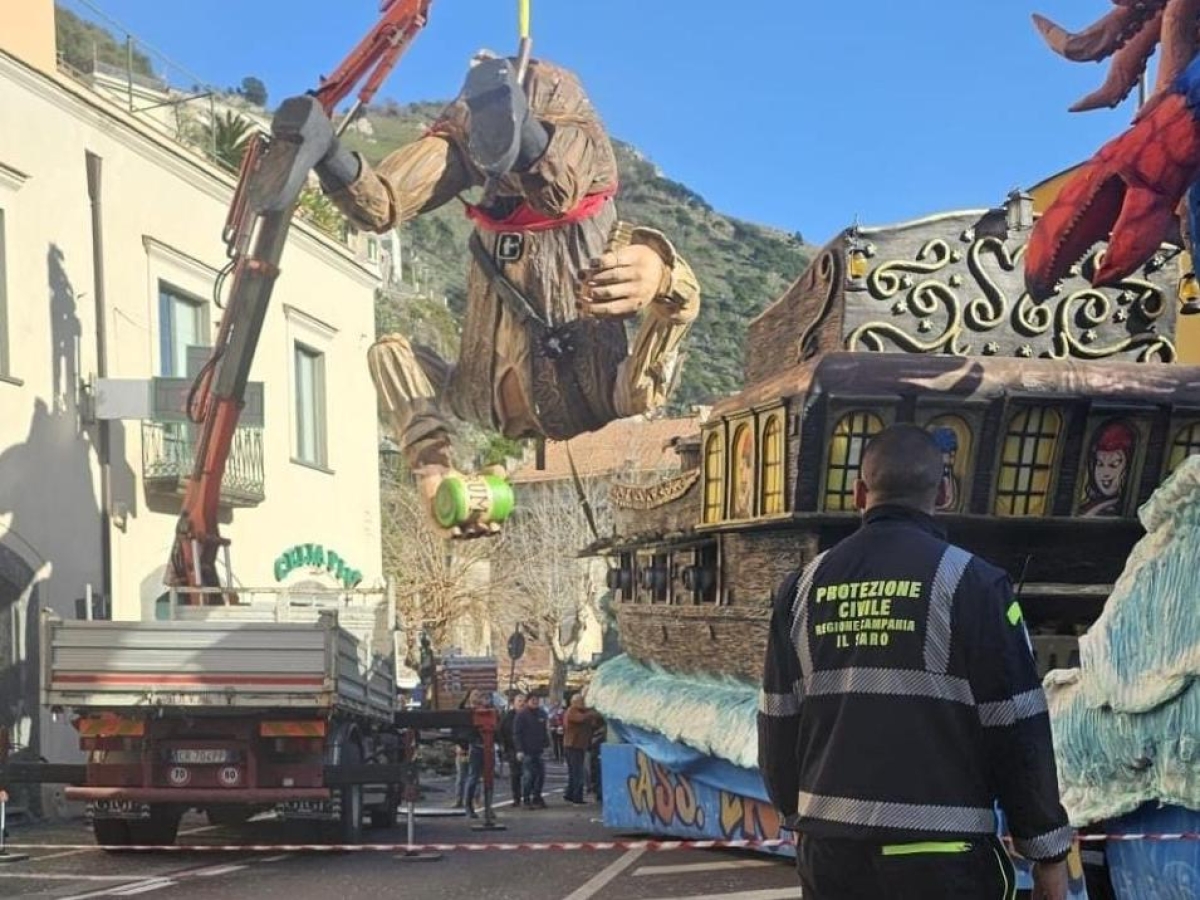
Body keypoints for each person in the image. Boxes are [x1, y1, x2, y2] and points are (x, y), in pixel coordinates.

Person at [286, 53, 700, 535]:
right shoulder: (597, 400)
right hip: (564, 187)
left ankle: (507, 135)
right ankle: (519, 135)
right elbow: (665, 338)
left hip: (528, 179)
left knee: (387, 325)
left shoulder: (472, 399)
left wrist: (433, 467)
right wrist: (662, 276)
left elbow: (392, 356)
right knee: (555, 188)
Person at [757, 424, 1072, 900]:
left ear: (860, 492)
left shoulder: (800, 589)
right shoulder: (974, 585)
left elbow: (777, 724)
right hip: (941, 859)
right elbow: (1017, 728)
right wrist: (1046, 852)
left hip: (832, 858)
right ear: (943, 491)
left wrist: (797, 818)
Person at [563, 693, 602, 804]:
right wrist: (592, 712)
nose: (583, 703)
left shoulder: (582, 712)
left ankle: (570, 794)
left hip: (579, 745)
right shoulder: (572, 711)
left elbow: (593, 724)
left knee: (574, 772)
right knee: (577, 772)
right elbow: (581, 719)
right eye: (581, 701)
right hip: (573, 746)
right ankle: (576, 796)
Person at [513, 693, 549, 809]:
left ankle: (537, 797)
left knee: (541, 775)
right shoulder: (522, 715)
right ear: (528, 701)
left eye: (537, 700)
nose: (535, 702)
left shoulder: (542, 713)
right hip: (527, 750)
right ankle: (526, 799)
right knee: (528, 776)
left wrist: (546, 744)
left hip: (539, 749)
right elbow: (517, 734)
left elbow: (544, 731)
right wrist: (519, 750)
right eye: (532, 700)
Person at [499, 692, 527, 805]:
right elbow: (501, 731)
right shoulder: (508, 716)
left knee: (528, 774)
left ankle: (528, 797)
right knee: (515, 774)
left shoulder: (529, 715)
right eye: (519, 701)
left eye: (523, 701)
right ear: (514, 703)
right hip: (512, 748)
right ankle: (516, 798)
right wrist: (503, 746)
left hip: (528, 748)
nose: (521, 704)